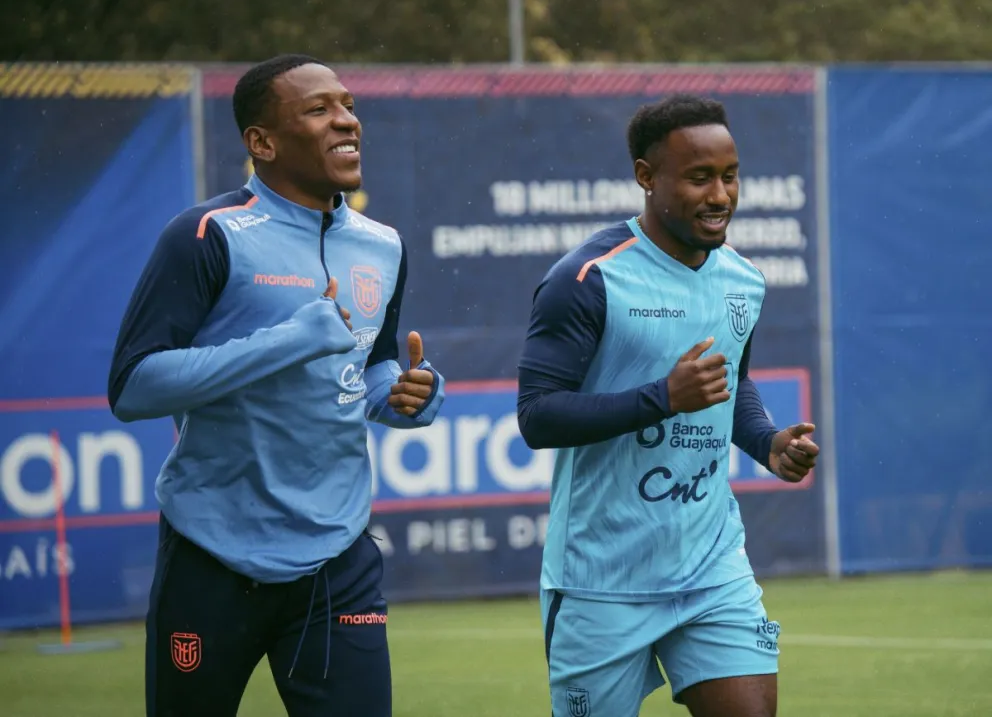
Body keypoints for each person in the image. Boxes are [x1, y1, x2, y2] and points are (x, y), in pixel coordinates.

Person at [108, 54, 445, 717]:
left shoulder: (384, 245)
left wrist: (405, 395)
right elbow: (134, 387)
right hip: (211, 556)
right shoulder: (206, 235)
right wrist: (289, 339)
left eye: (348, 104)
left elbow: (370, 367)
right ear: (261, 142)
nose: (346, 120)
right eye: (318, 110)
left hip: (337, 559)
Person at [516, 94, 819, 717]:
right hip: (600, 581)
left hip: (712, 567)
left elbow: (730, 382)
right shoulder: (588, 279)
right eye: (699, 177)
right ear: (646, 177)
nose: (720, 196)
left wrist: (767, 442)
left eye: (730, 176)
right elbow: (538, 416)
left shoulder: (742, 278)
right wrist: (662, 398)